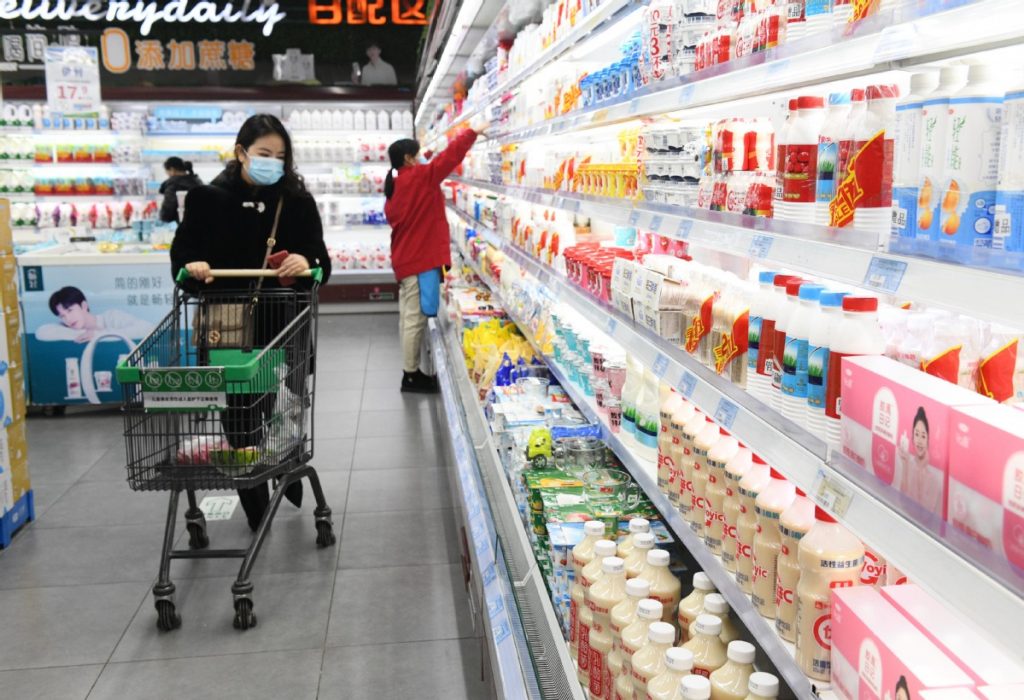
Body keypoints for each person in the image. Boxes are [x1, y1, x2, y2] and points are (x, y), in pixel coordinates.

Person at [171, 114, 331, 532]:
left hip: (283, 322)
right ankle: (256, 502)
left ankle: (284, 470)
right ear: (241, 152)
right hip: (227, 325)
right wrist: (194, 266)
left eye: (280, 156)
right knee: (241, 415)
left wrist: (307, 262)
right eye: (263, 154)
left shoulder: (296, 202)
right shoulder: (208, 199)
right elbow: (181, 260)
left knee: (284, 409)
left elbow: (321, 261)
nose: (272, 162)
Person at [384, 120, 486, 393]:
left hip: (407, 258)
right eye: (417, 155)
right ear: (408, 158)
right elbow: (449, 157)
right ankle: (410, 375)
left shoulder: (396, 187)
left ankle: (411, 370)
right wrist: (472, 131)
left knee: (408, 316)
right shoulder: (419, 178)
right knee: (414, 319)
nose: (421, 159)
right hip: (418, 261)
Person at [37, 286, 152, 342]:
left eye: (70, 311)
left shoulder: (112, 317)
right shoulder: (68, 328)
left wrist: (99, 334)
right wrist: (83, 334)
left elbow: (147, 328)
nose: (68, 319)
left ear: (84, 306)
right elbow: (41, 332)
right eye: (62, 316)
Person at [897, 407, 942, 516]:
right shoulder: (907, 464)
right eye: (916, 434)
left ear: (928, 439)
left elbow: (926, 515)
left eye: (923, 436)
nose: (919, 441)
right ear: (912, 437)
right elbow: (902, 502)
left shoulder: (934, 479)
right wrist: (905, 465)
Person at [158, 157, 203, 223]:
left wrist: (162, 216)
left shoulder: (173, 185)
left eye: (167, 172)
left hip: (186, 226)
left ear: (172, 169)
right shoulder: (197, 182)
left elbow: (167, 212)